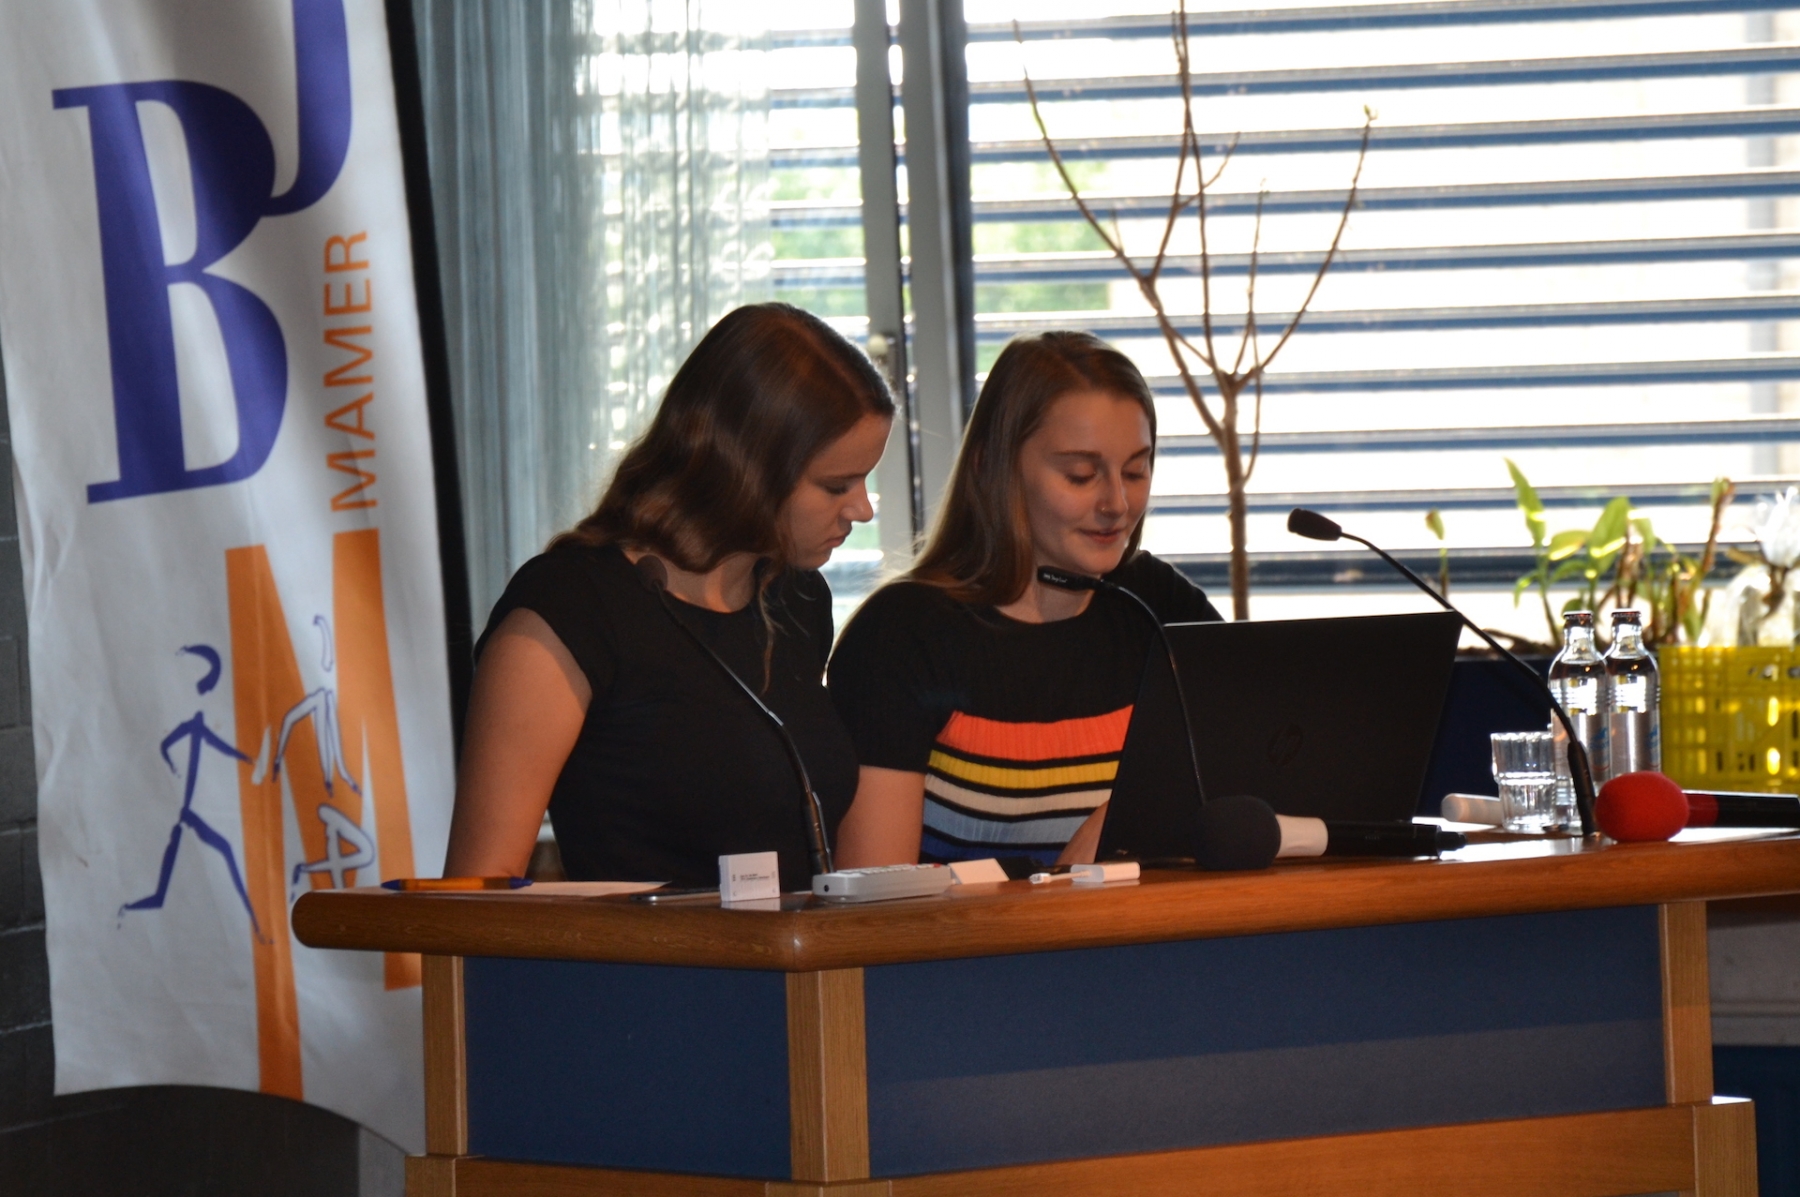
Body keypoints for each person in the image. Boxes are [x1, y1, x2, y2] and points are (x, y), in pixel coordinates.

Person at [444, 304, 894, 891]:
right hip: (642, 953)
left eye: (865, 480)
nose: (863, 509)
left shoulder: (796, 600)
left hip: (792, 951)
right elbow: (480, 885)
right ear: (744, 466)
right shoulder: (570, 609)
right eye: (837, 485)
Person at [827, 331, 1221, 868]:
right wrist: (1071, 879)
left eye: (1136, 470)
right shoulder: (900, 637)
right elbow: (877, 899)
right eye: (1080, 475)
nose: (1117, 503)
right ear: (994, 467)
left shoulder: (1158, 605)